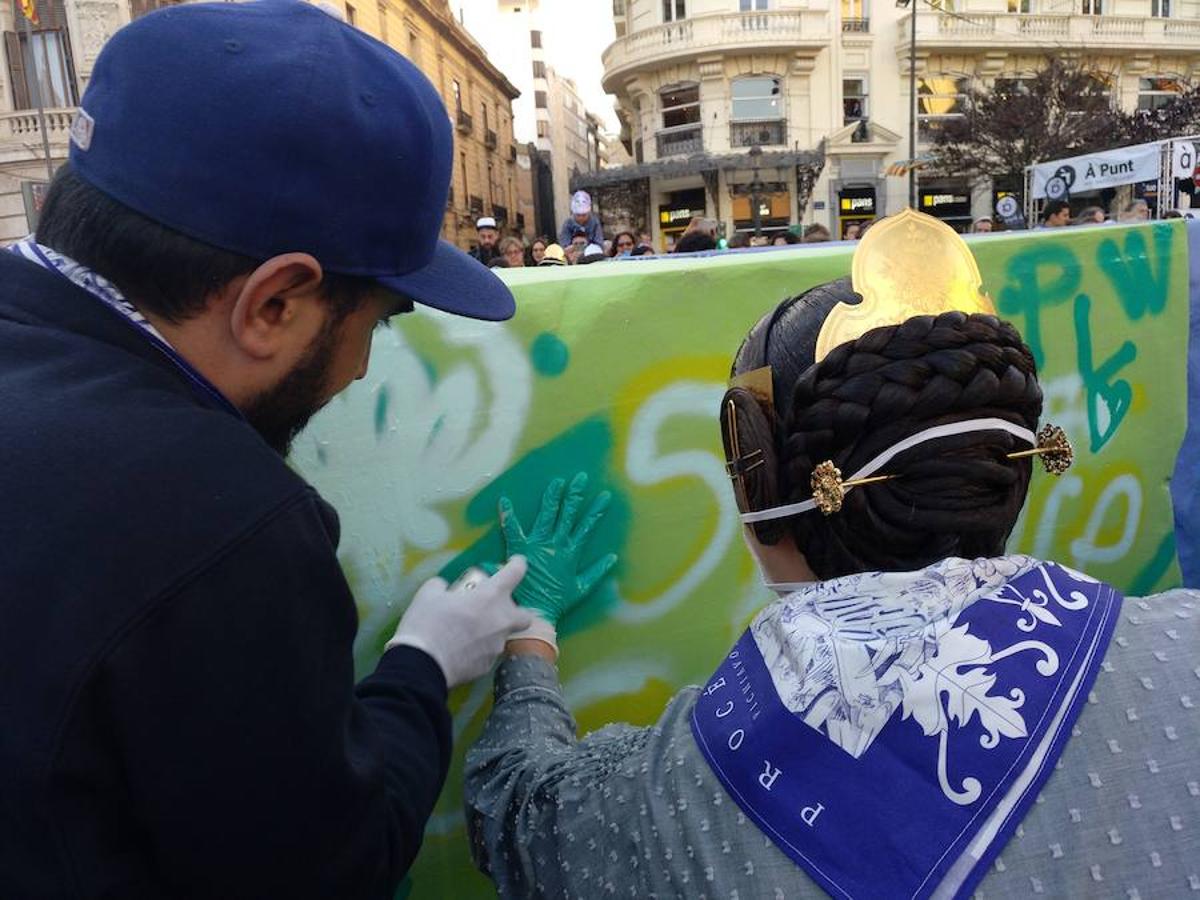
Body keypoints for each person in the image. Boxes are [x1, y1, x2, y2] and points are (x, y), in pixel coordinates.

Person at [463, 210, 1198, 898]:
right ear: (1006, 466)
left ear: (755, 476)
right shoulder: (1183, 641)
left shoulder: (677, 799)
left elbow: (519, 813)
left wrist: (531, 634)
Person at [0, 4, 540, 898]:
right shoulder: (218, 522)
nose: (365, 369)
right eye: (381, 321)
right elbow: (327, 871)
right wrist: (423, 669)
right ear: (274, 305)